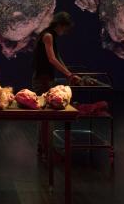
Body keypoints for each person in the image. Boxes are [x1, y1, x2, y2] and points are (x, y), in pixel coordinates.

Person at [32, 11, 80, 159]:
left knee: (46, 117)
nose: (64, 32)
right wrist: (69, 75)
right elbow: (52, 59)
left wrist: (68, 73)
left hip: (45, 78)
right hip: (42, 79)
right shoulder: (48, 36)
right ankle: (46, 150)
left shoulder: (50, 35)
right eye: (64, 28)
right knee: (46, 116)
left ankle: (44, 149)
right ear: (59, 25)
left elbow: (58, 57)